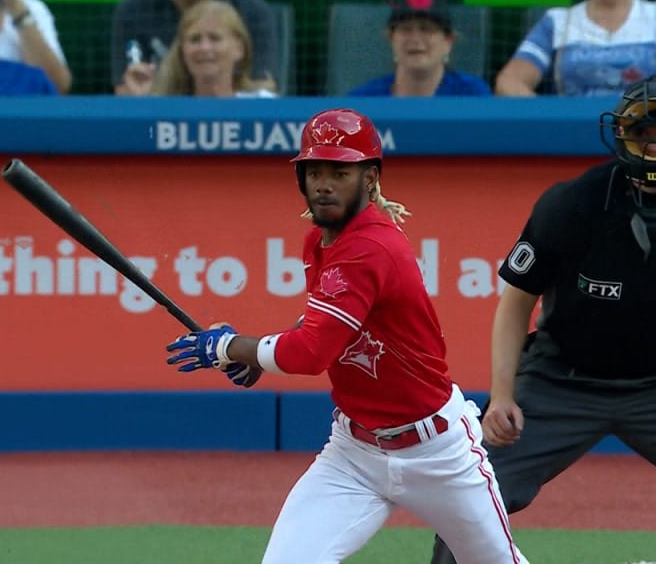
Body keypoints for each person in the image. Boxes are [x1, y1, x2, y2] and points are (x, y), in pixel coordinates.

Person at [431, 77, 656, 564]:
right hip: (560, 377)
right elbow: (515, 303)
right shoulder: (572, 203)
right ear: (621, 135)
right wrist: (503, 395)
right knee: (469, 497)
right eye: (643, 133)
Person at [165, 108, 529, 564]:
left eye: (340, 171)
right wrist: (256, 356)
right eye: (315, 170)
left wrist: (227, 346)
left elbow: (313, 352)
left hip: (437, 452)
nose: (324, 183)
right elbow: (328, 329)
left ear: (370, 178)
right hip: (354, 454)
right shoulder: (317, 244)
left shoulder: (370, 247)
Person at [495, 0, 656, 97]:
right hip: (572, 131)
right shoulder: (557, 20)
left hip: (642, 133)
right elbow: (509, 81)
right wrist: (551, 119)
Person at [111, 0, 277, 95]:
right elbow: (128, 91)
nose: (204, 48)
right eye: (195, 40)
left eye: (215, 38)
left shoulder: (254, 12)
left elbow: (262, 85)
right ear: (181, 49)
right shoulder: (133, 10)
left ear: (239, 48)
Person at [347, 0, 490, 97]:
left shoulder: (472, 94)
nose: (415, 38)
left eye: (426, 29)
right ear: (391, 38)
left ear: (448, 41)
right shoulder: (364, 100)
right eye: (406, 29)